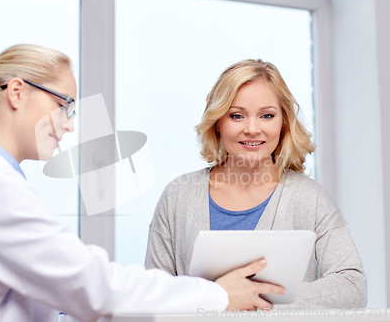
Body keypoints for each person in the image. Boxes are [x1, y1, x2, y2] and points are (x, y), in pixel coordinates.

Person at [0, 45, 285, 322]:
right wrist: (217, 295)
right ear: (16, 92)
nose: (70, 124)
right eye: (65, 105)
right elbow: (96, 287)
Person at [145, 59, 368, 310]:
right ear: (218, 123)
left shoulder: (310, 198)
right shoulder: (178, 196)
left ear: (283, 123)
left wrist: (256, 297)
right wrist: (218, 298)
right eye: (237, 115)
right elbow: (154, 298)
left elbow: (352, 288)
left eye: (267, 115)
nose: (252, 129)